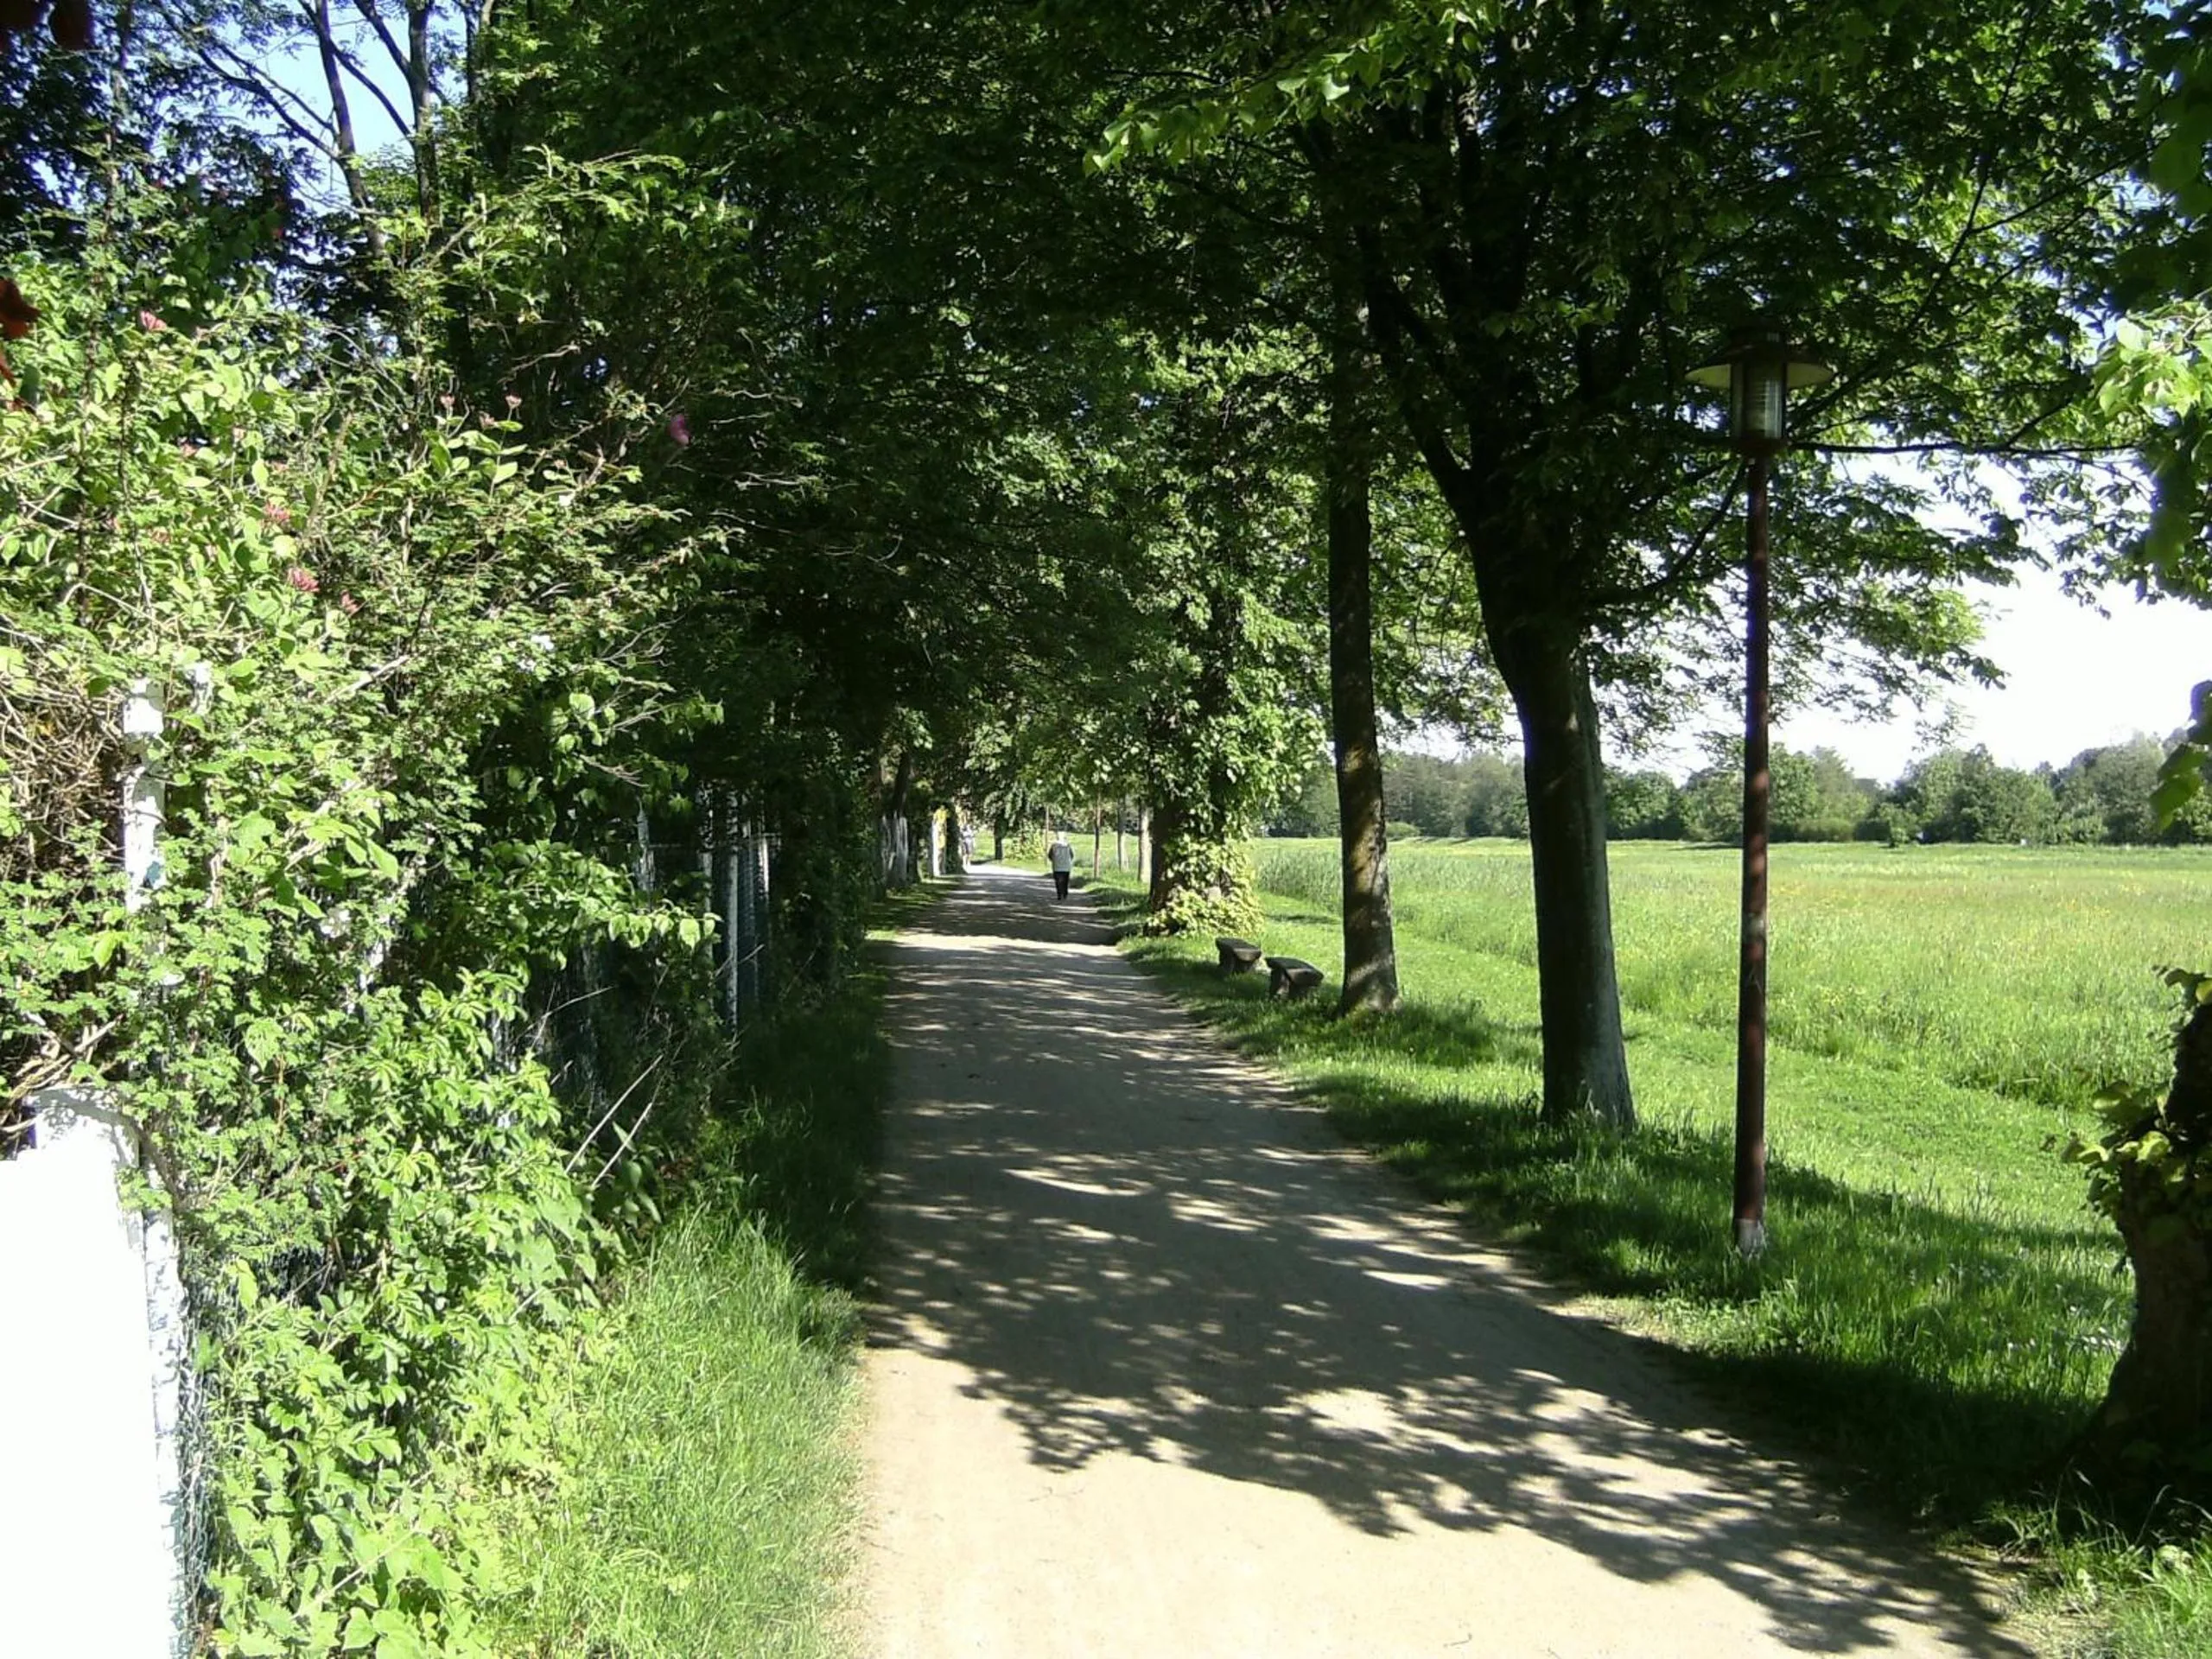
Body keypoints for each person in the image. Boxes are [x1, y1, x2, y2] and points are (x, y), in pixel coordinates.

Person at [1046, 832, 1075, 900]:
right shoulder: (1068, 845)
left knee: (1058, 881)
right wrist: (1068, 860)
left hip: (1057, 866)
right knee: (1066, 881)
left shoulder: (1054, 845)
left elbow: (1050, 855)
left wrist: (1054, 860)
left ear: (1057, 837)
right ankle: (1065, 893)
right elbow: (1072, 855)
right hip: (1066, 866)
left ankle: (1059, 894)